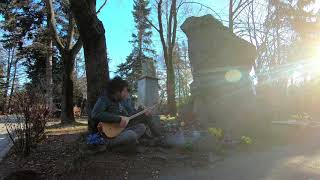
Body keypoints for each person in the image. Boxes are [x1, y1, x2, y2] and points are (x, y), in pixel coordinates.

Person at [91, 76, 162, 152]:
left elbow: (129, 116)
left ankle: (125, 144)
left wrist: (143, 113)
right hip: (108, 136)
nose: (126, 93)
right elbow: (95, 114)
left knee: (141, 127)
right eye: (124, 91)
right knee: (131, 135)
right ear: (117, 91)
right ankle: (110, 145)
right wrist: (118, 118)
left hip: (120, 131)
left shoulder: (120, 102)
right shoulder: (104, 99)